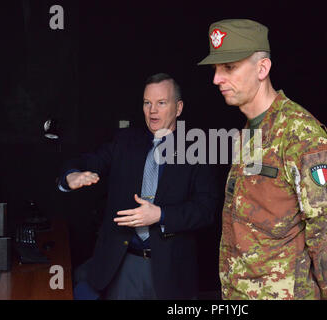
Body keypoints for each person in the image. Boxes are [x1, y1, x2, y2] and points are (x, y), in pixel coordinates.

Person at [198, 19, 327, 300]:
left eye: (229, 67)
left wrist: (315, 294)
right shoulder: (249, 132)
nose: (216, 79)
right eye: (216, 69)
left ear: (262, 69)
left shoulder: (301, 135)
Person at [58, 73, 219, 299]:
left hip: (172, 274)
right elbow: (88, 160)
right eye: (147, 103)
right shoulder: (124, 141)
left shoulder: (197, 151)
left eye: (161, 103)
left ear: (178, 108)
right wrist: (71, 175)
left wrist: (161, 215)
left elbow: (205, 210)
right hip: (124, 266)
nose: (152, 110)